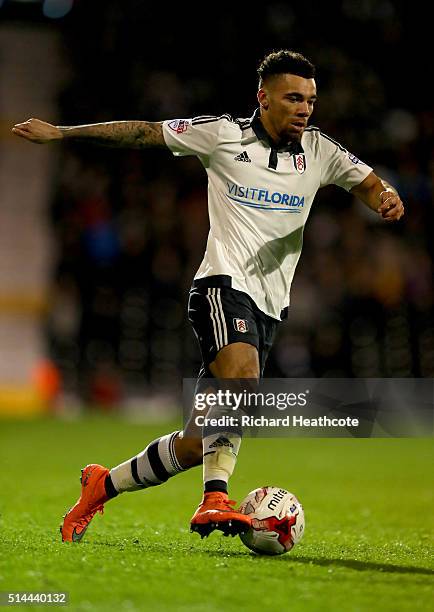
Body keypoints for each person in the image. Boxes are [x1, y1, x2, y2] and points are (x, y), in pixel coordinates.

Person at [12, 50, 404, 543]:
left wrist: (385, 196)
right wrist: (65, 134)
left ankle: (101, 485)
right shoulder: (223, 135)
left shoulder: (320, 151)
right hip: (222, 285)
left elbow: (367, 182)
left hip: (269, 305)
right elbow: (144, 131)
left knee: (198, 441)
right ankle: (214, 498)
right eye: (293, 98)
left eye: (310, 100)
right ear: (263, 98)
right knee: (244, 381)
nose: (304, 109)